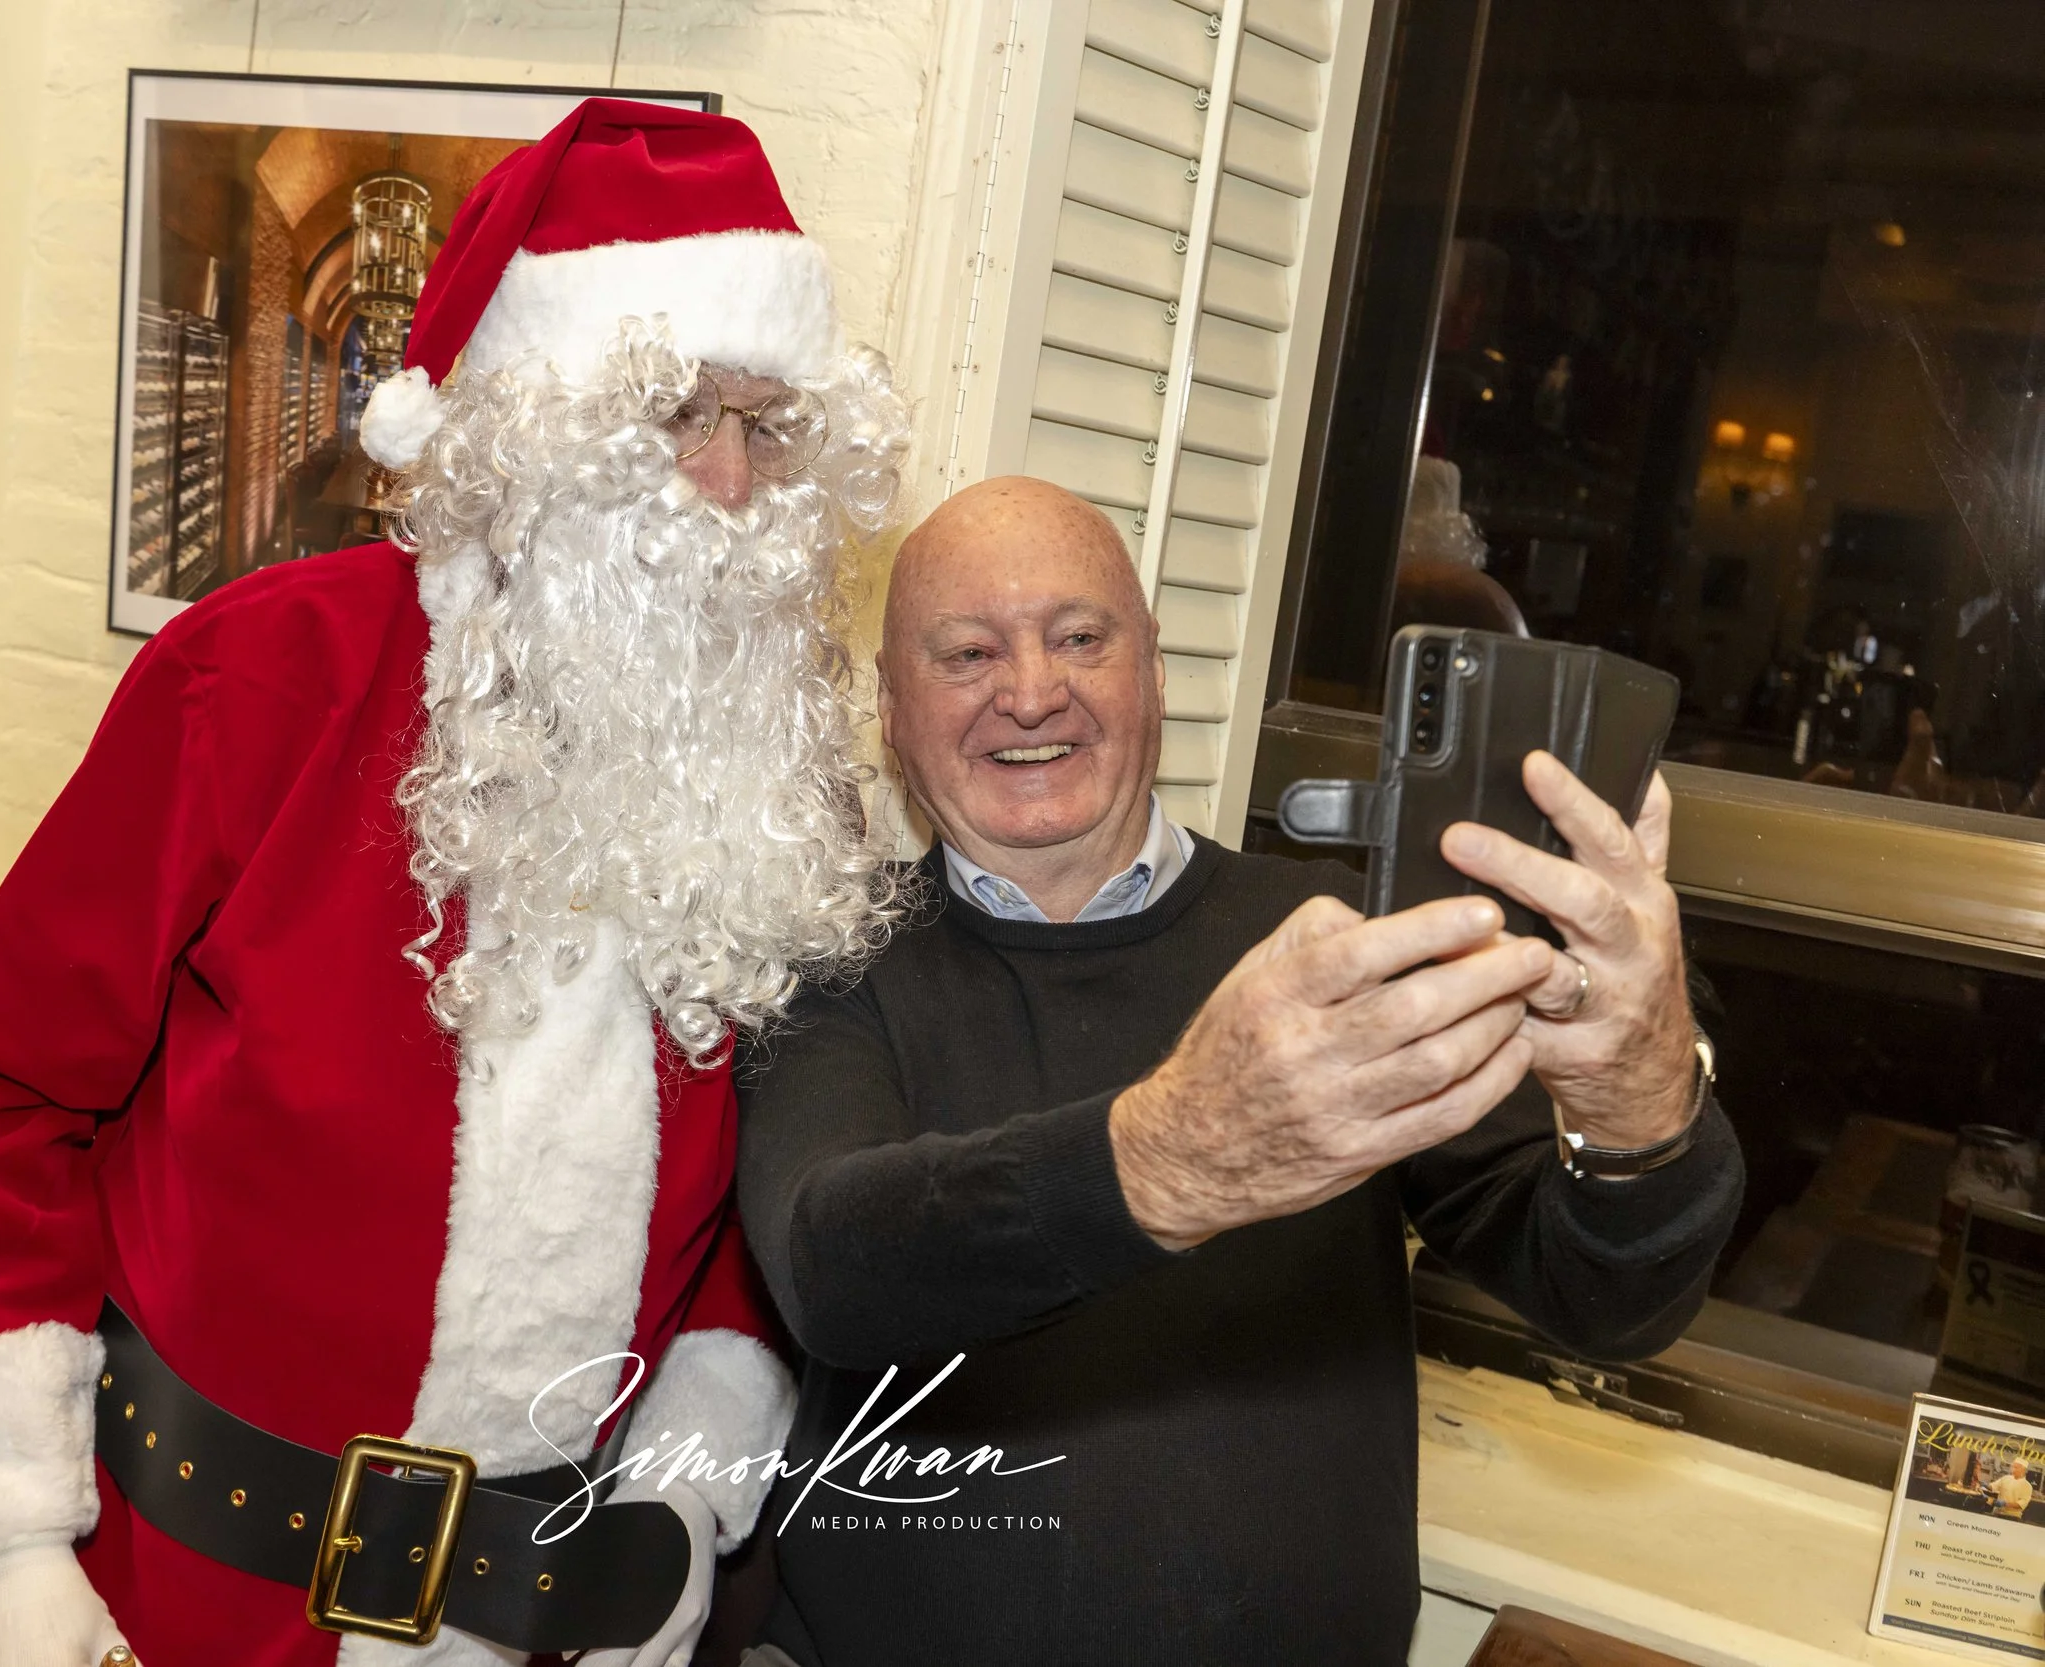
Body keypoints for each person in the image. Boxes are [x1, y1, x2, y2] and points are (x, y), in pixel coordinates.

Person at [0, 101, 912, 1667]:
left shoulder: (780, 774)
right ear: (528, 427)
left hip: (543, 1618)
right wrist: (10, 1538)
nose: (726, 484)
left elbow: (770, 1207)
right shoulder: (260, 678)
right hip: (175, 1596)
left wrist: (688, 1494)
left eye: (768, 429)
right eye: (673, 415)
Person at [734, 476, 1744, 1665]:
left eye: (1080, 637)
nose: (1031, 690)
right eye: (967, 653)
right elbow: (836, 1268)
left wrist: (1633, 1097)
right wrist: (1180, 1150)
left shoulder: (1334, 944)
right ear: (889, 707)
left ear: (1155, 670)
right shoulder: (826, 957)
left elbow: (1607, 1300)